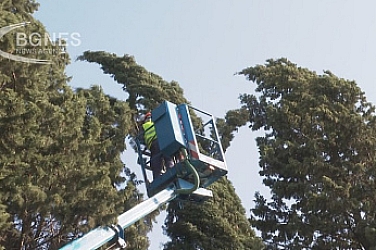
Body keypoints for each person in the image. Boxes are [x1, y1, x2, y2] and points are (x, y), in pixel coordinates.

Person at [138, 112, 174, 179]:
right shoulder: (156, 123)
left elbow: (140, 138)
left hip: (154, 144)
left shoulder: (144, 126)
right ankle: (171, 169)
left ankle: (157, 177)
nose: (149, 119)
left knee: (156, 161)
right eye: (148, 118)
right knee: (167, 156)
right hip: (161, 141)